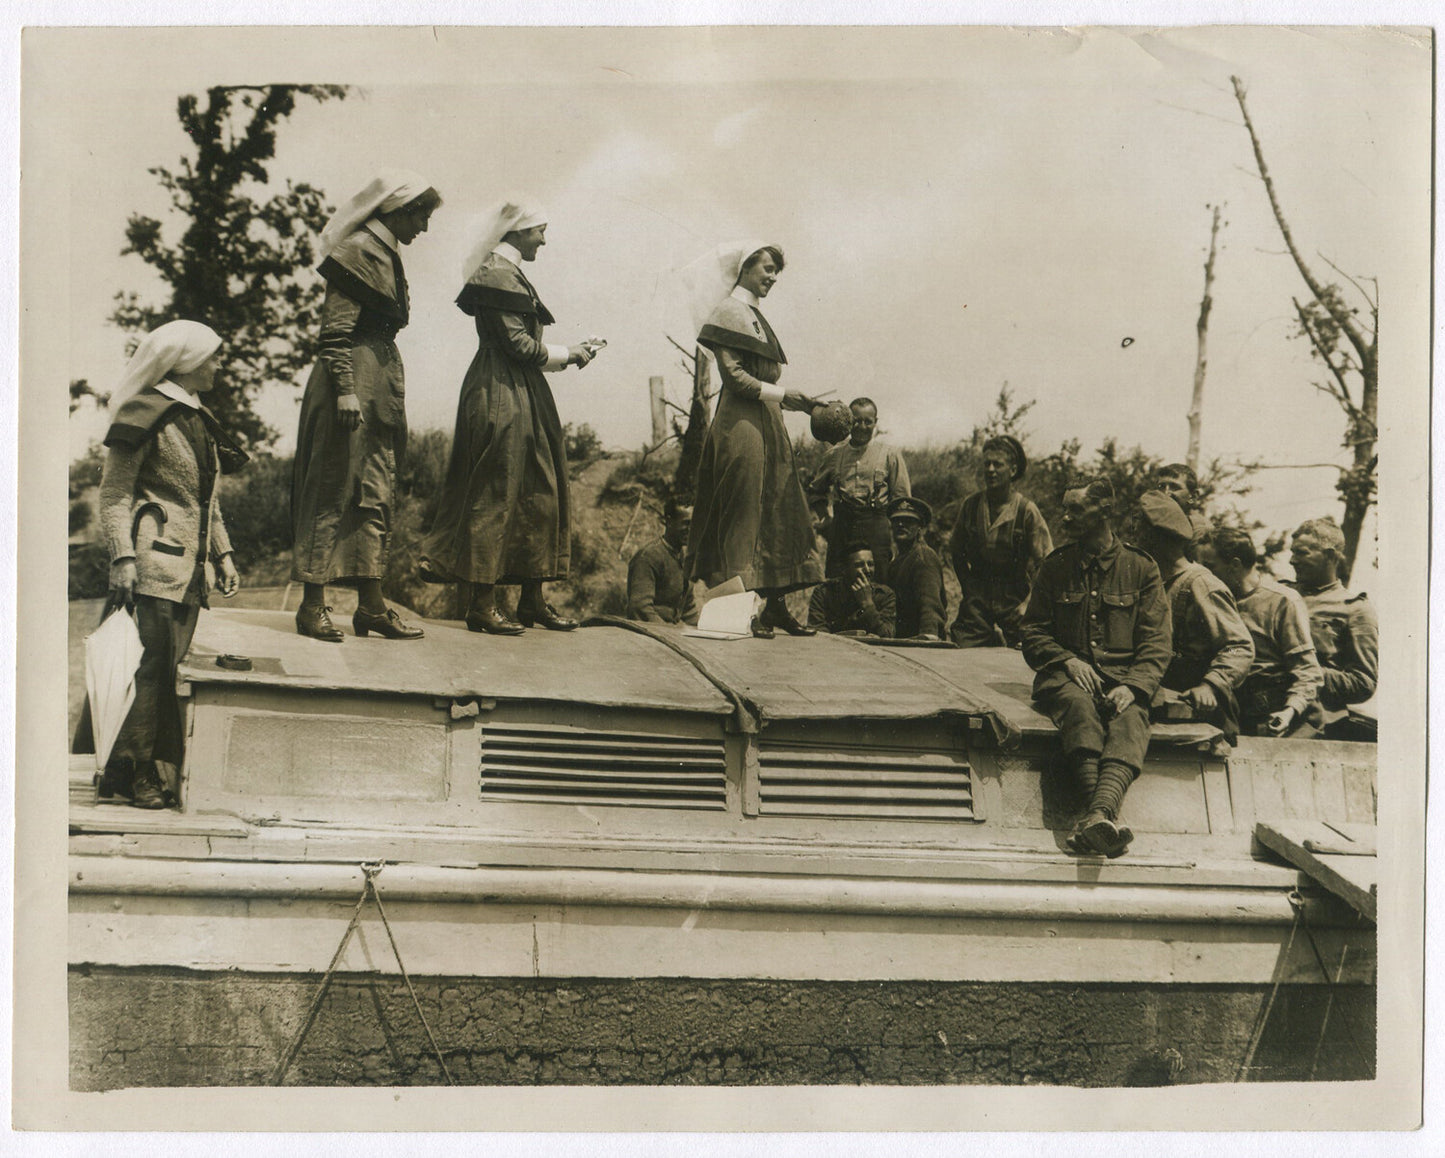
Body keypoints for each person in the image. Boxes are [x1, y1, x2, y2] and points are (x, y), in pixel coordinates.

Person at [420, 200, 603, 634]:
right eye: (540, 230)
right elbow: (517, 346)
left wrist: (570, 353)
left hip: (521, 387)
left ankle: (532, 600)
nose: (544, 239)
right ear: (518, 231)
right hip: (500, 389)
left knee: (539, 491)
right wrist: (570, 354)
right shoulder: (496, 274)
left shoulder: (510, 274)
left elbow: (522, 348)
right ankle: (482, 604)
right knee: (496, 491)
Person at [89, 321, 248, 808]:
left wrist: (223, 554)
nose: (219, 365)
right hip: (152, 565)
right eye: (213, 357)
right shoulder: (145, 413)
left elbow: (206, 502)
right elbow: (115, 495)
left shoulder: (197, 418)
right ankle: (139, 775)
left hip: (188, 572)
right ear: (186, 362)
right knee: (150, 670)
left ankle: (129, 772)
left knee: (165, 669)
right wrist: (123, 556)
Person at [290, 169, 442, 642]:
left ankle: (372, 607)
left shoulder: (387, 254)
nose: (425, 228)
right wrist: (345, 388)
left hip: (378, 378)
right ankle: (311, 606)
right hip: (351, 376)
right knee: (332, 486)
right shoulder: (357, 250)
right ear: (398, 212)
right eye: (421, 217)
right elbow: (334, 331)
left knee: (375, 487)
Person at [1021, 478, 1170, 858]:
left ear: (1105, 511)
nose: (1065, 517)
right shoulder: (1056, 567)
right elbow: (1033, 631)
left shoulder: (1142, 569)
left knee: (1131, 719)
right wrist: (1066, 660)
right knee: (1079, 707)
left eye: (1076, 509)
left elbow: (1157, 643)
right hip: (1066, 677)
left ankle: (1095, 818)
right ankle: (1101, 815)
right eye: (1065, 508)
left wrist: (1133, 686)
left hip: (1125, 679)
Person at [683, 241, 823, 637]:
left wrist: (790, 402)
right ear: (745, 268)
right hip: (741, 424)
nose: (773, 277)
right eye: (768, 268)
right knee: (743, 515)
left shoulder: (754, 316)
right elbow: (735, 378)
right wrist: (785, 396)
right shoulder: (729, 311)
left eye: (777, 271)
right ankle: (736, 612)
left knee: (778, 509)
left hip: (768, 422)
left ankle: (774, 608)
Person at [1137, 491, 1253, 743]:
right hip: (1163, 704)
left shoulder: (1201, 584)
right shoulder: (1155, 583)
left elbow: (1239, 647)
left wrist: (1210, 685)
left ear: (1156, 539)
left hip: (1204, 713)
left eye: (1141, 533)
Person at [1198, 527, 1322, 736]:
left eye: (1209, 566)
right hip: (1232, 716)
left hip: (1282, 721)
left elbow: (1307, 671)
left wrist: (1289, 711)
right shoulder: (1212, 600)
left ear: (1234, 565)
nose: (1203, 574)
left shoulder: (1282, 601)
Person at [949, 434, 1052, 648]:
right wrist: (968, 588)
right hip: (978, 596)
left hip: (1015, 598)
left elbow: (1046, 563)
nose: (990, 470)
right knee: (961, 650)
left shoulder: (1026, 511)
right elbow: (956, 551)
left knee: (1030, 649)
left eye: (998, 464)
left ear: (1012, 470)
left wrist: (1028, 603)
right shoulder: (971, 506)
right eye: (986, 464)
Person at [807, 397, 910, 585]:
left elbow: (902, 500)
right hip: (842, 529)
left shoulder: (890, 454)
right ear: (848, 420)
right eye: (856, 421)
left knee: (879, 583)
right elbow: (815, 491)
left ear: (875, 422)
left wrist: (898, 538)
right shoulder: (834, 454)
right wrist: (826, 520)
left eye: (868, 422)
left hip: (876, 529)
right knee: (837, 584)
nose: (862, 427)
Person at [1287, 517, 1378, 727]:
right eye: (1293, 552)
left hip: (1312, 725)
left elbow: (1363, 683)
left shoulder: (1355, 609)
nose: (1292, 560)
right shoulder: (1280, 595)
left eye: (1301, 553)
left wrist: (1307, 672)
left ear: (1329, 556)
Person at [627, 500, 698, 625]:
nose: (691, 529)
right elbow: (641, 608)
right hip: (647, 631)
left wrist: (704, 628)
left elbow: (688, 609)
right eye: (686, 523)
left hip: (668, 630)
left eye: (694, 524)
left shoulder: (684, 558)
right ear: (669, 521)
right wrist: (668, 631)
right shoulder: (648, 557)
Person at [886, 496, 946, 639]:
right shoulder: (898, 560)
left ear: (920, 528)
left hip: (919, 640)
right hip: (902, 639)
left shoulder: (923, 557)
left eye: (908, 521)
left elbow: (930, 605)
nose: (901, 524)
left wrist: (928, 636)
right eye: (896, 521)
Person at [806, 543, 897, 638]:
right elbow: (818, 632)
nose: (867, 570)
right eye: (859, 565)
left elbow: (887, 634)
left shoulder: (884, 595)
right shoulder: (824, 592)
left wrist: (868, 605)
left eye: (870, 564)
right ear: (844, 569)